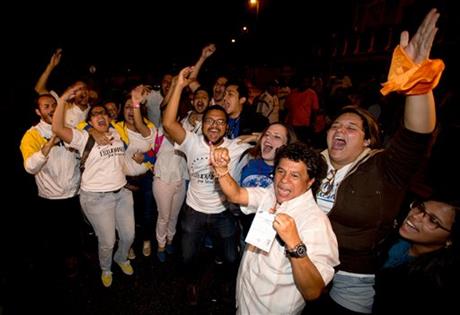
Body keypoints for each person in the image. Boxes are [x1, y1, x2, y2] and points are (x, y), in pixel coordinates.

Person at [312, 8, 444, 314]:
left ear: (368, 140)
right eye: (335, 126)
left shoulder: (384, 168)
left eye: (351, 127)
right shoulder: (314, 163)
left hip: (351, 279)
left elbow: (416, 135)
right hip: (305, 263)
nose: (339, 130)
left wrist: (417, 82)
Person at [210, 142, 339, 314]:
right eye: (281, 171)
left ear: (310, 182)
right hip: (245, 299)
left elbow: (313, 291)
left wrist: (294, 244)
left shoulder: (315, 223)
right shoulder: (271, 193)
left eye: (295, 175)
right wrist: (221, 170)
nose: (284, 180)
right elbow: (236, 194)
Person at [162, 66, 252, 305]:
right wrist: (179, 85)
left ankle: (224, 284)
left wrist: (253, 137)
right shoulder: (190, 142)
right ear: (202, 124)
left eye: (220, 122)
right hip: (194, 212)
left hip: (223, 213)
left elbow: (275, 140)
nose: (214, 125)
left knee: (231, 257)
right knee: (188, 256)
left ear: (226, 126)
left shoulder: (235, 146)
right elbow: (169, 123)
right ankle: (192, 284)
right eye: (209, 121)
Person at [52, 83, 151, 287]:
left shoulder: (117, 134)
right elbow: (58, 128)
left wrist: (135, 102)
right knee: (107, 241)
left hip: (122, 194)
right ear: (89, 121)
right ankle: (106, 268)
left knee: (128, 235)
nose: (102, 116)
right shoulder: (82, 137)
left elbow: (139, 135)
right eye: (96, 114)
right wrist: (62, 100)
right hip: (96, 198)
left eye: (104, 114)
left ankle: (121, 258)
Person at [20, 93, 82, 278]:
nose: (52, 109)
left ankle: (73, 265)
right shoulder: (32, 135)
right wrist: (50, 144)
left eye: (54, 105)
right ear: (38, 112)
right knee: (54, 239)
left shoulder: (70, 129)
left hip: (74, 194)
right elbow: (30, 167)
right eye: (46, 106)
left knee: (74, 235)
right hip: (50, 199)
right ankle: (52, 272)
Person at [373, 197, 459, 314]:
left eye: (433, 220)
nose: (416, 216)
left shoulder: (428, 285)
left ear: (449, 240)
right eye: (420, 207)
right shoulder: (386, 235)